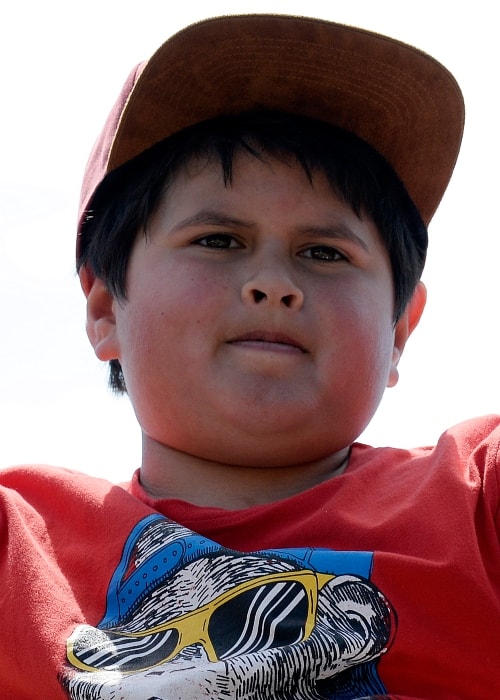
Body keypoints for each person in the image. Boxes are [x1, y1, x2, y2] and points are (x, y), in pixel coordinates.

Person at [0, 14, 498, 700]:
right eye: (219, 240)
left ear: (400, 331)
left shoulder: (477, 506)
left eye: (325, 252)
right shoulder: (20, 549)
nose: (275, 282)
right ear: (105, 309)